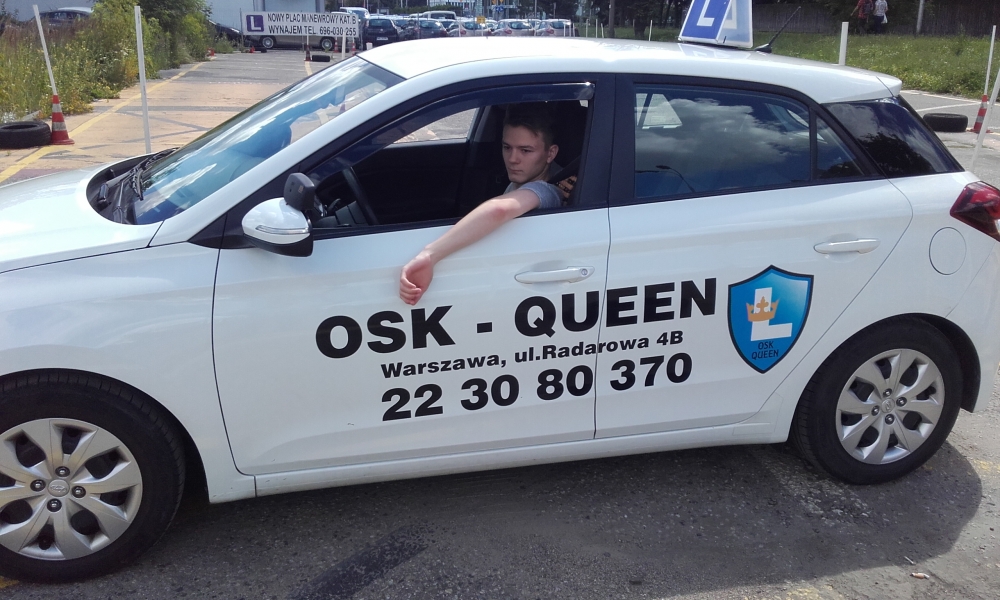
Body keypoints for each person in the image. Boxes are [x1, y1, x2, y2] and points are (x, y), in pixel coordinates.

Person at [399, 103, 562, 306]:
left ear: (550, 153)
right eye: (507, 147)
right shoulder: (523, 179)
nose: (513, 159)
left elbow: (499, 210)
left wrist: (429, 255)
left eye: (525, 150)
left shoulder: (547, 190)